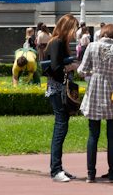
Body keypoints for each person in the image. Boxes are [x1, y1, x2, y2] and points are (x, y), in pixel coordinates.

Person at [80, 23, 113, 183]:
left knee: (93, 135)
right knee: (112, 136)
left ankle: (90, 174)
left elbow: (82, 71)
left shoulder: (91, 46)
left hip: (95, 91)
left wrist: (94, 72)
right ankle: (112, 173)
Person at [45, 14, 80, 183]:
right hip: (58, 90)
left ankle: (57, 167)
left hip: (58, 90)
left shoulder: (58, 42)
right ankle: (56, 170)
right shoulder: (57, 43)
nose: (75, 33)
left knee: (61, 128)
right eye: (74, 29)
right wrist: (72, 66)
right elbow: (56, 68)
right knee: (60, 129)